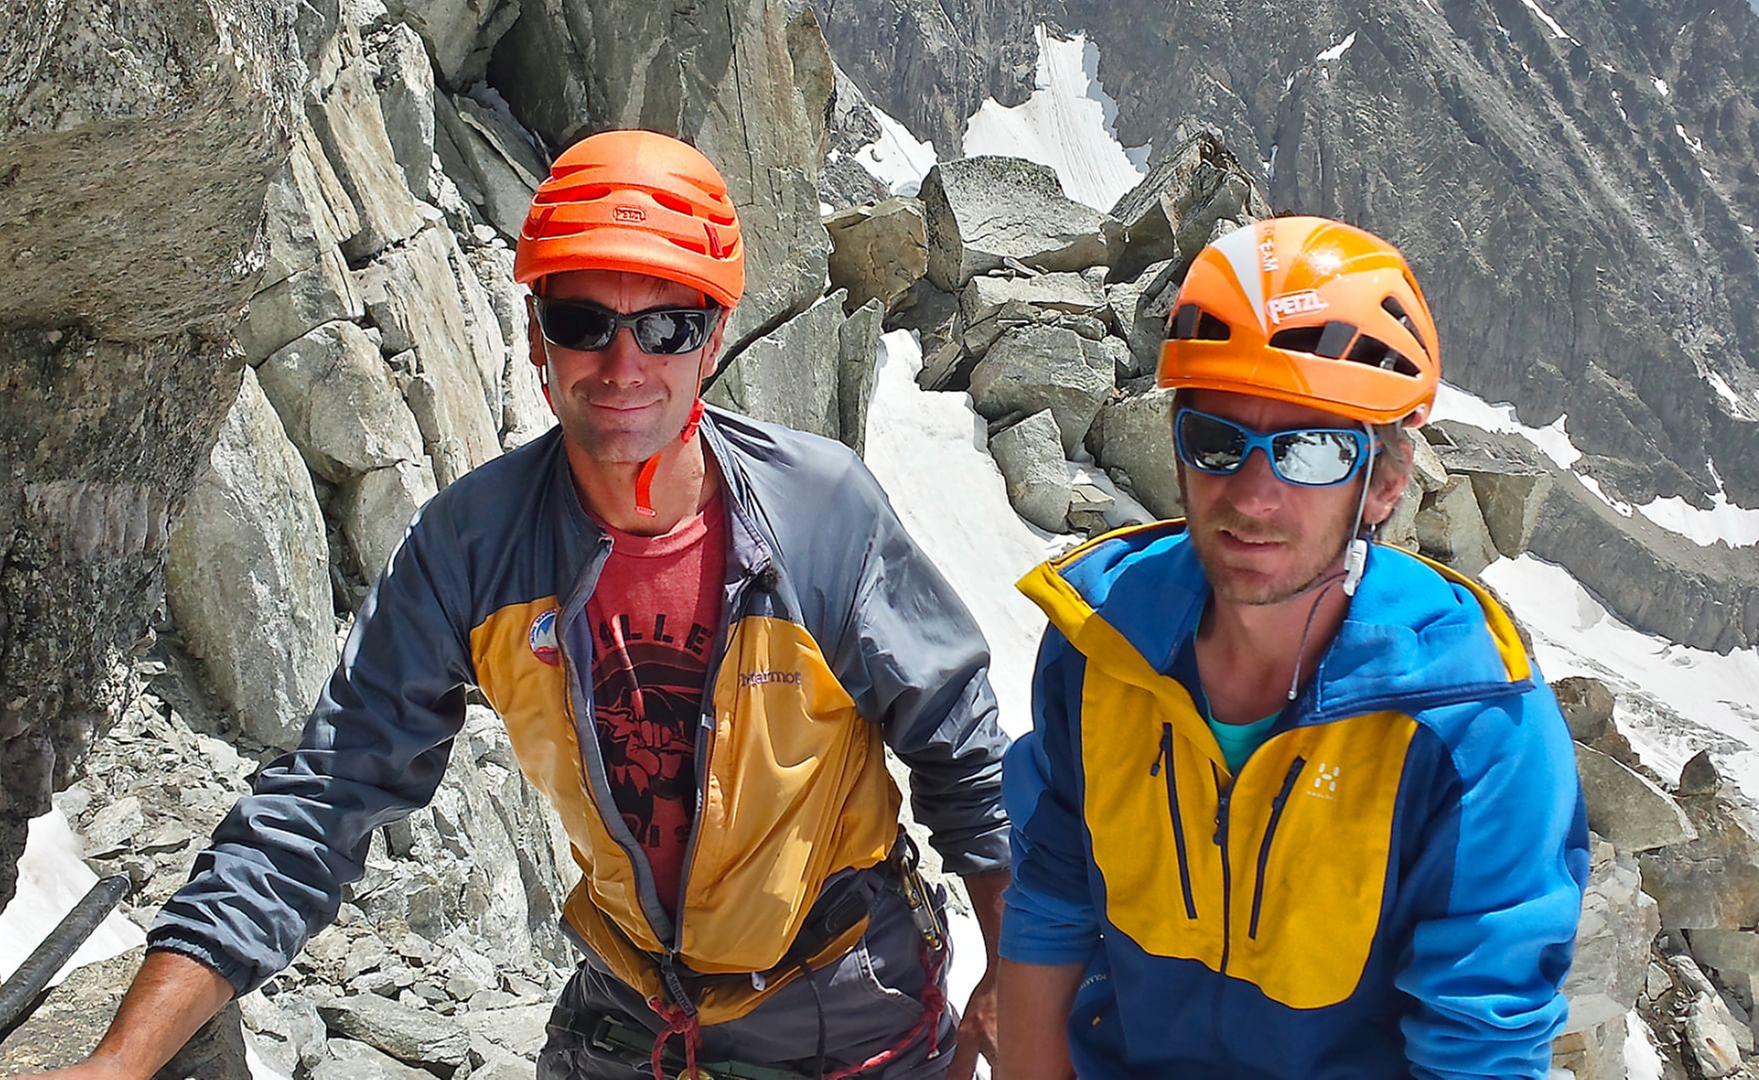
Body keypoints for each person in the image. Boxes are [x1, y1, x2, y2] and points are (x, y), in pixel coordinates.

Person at [17, 130, 1008, 1080]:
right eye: (583, 322)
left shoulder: (819, 515)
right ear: (537, 336)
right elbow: (322, 801)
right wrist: (123, 1059)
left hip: (850, 1014)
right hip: (635, 1014)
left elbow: (963, 753)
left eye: (666, 325)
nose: (623, 364)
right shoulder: (473, 549)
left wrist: (1012, 968)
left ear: (711, 343)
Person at [994, 216, 1589, 1078]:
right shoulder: (1101, 647)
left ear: (1385, 483)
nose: (1253, 496)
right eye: (1216, 440)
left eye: (1311, 450)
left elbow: (1479, 1044)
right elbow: (1052, 904)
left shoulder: (1473, 726)